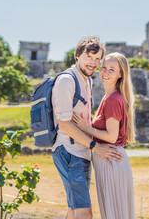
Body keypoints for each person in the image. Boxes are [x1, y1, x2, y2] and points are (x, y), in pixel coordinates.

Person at [51, 37, 122, 219]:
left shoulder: (87, 81)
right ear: (77, 56)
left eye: (98, 59)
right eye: (89, 56)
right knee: (85, 213)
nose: (94, 63)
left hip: (81, 152)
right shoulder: (67, 80)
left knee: (74, 211)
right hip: (68, 151)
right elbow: (64, 124)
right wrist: (96, 147)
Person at [72, 52, 135, 219]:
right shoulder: (110, 97)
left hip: (111, 160)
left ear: (121, 74)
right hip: (109, 160)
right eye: (104, 68)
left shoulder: (113, 99)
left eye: (112, 70)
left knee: (114, 214)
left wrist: (85, 128)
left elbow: (112, 136)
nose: (105, 73)